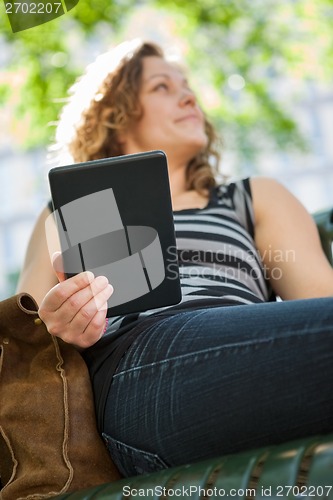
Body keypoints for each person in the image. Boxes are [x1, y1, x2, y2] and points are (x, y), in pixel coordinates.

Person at [17, 39, 333, 478]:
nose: (189, 96)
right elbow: (21, 342)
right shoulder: (68, 211)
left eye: (187, 86)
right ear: (116, 115)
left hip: (242, 363)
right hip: (134, 376)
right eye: (162, 87)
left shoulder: (251, 197)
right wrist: (61, 325)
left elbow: (318, 303)